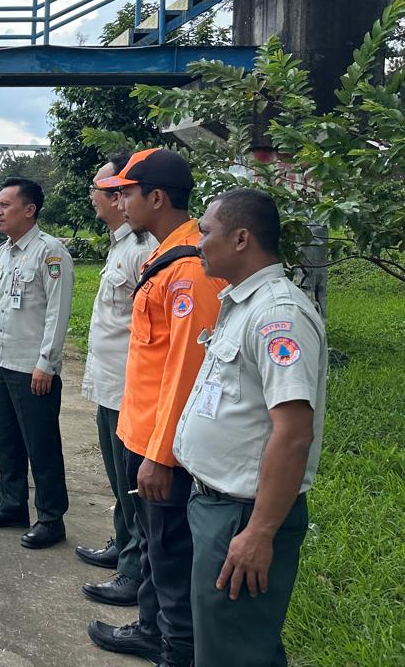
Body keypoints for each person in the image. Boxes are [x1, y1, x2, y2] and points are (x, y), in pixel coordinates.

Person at [174, 188, 327, 667]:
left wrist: (260, 532)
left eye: (206, 232)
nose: (198, 243)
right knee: (226, 642)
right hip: (217, 506)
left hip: (243, 515)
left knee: (236, 651)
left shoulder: (277, 315)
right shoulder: (241, 303)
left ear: (241, 238)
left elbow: (294, 432)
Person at [87, 147, 226, 667]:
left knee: (170, 555)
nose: (118, 201)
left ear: (157, 197)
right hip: (138, 429)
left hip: (158, 445)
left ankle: (177, 650)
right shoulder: (161, 255)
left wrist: (161, 456)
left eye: (126, 191)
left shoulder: (189, 270)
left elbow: (185, 372)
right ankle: (150, 629)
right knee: (151, 546)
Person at [0, 177, 75, 549]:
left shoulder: (50, 253)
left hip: (32, 368)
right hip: (1, 361)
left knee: (42, 446)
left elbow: (58, 313)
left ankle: (51, 518)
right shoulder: (3, 252)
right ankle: (12, 505)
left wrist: (47, 363)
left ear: (29, 210)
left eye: (6, 205)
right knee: (7, 442)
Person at [76, 153, 157, 606]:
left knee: (130, 481)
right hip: (108, 382)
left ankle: (134, 570)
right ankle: (123, 543)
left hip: (128, 387)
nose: (99, 197)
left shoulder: (143, 250)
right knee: (117, 478)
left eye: (109, 190)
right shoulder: (120, 246)